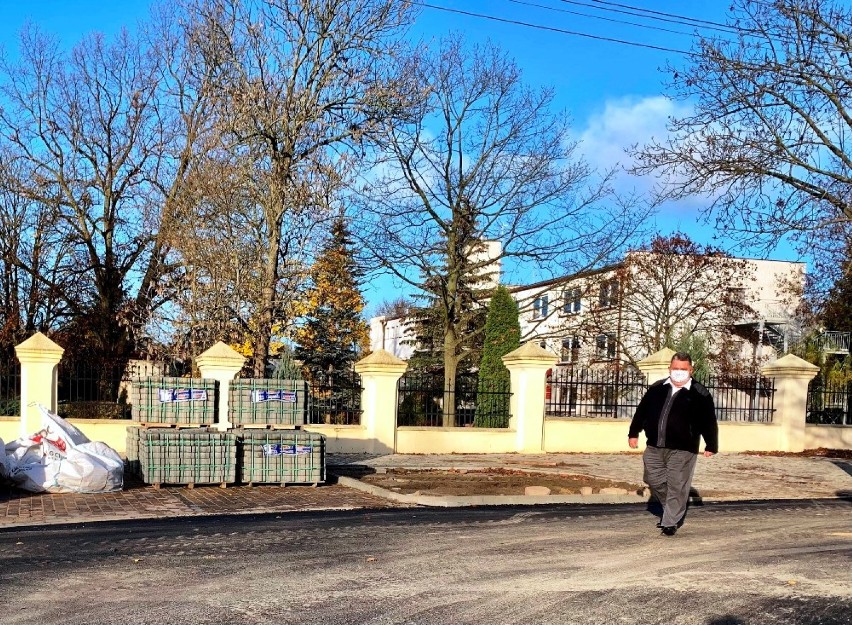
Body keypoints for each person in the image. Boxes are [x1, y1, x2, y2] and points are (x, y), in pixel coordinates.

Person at [628, 352, 718, 536]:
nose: (678, 372)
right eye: (675, 368)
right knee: (652, 479)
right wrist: (633, 433)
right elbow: (641, 411)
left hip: (684, 448)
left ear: (690, 370)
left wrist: (711, 445)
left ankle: (670, 521)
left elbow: (709, 421)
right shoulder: (657, 388)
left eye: (683, 369)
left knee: (677, 484)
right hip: (654, 445)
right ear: (670, 368)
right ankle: (671, 505)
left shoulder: (700, 393)